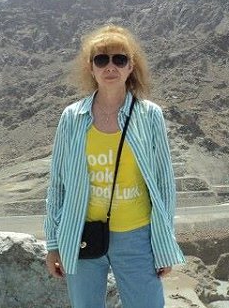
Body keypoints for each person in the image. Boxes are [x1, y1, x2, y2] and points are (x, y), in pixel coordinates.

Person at [44, 24, 185, 307]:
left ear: (131, 66)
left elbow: (163, 184)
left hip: (136, 236)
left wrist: (164, 245)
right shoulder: (72, 117)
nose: (111, 67)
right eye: (101, 59)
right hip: (81, 233)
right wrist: (53, 244)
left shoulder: (149, 116)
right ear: (91, 67)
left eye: (119, 59)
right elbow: (57, 184)